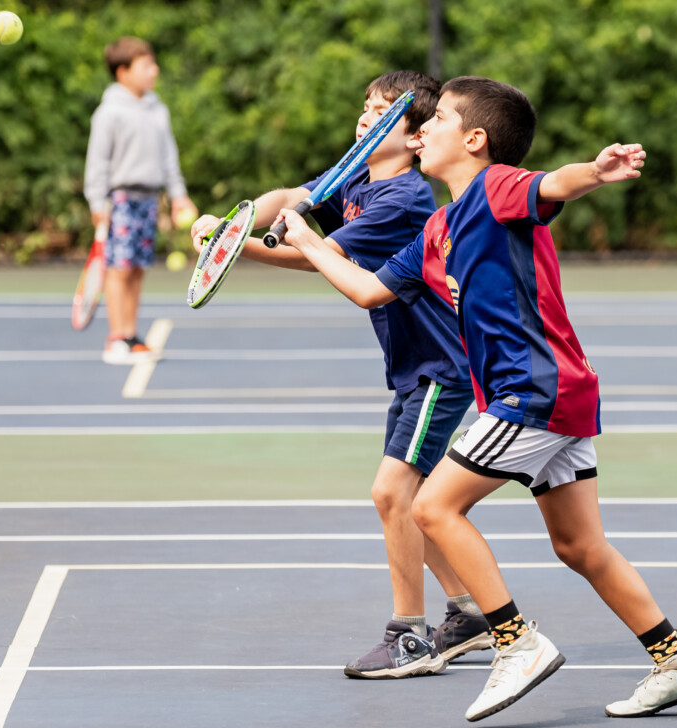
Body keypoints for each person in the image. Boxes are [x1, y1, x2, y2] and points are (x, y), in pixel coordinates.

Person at [278, 76, 677, 720]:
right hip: (557, 395)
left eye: (438, 121)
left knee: (430, 506)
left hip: (532, 392)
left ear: (475, 139)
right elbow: (370, 290)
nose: (420, 130)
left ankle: (515, 643)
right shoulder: (437, 230)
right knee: (580, 548)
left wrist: (594, 172)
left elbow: (554, 183)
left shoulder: (496, 188)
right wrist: (313, 245)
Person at [190, 71, 494, 679]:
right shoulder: (355, 177)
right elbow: (285, 196)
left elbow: (319, 257)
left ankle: (409, 636)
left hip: (443, 366)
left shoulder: (403, 200)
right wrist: (248, 215)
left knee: (392, 494)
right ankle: (469, 613)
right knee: (416, 502)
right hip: (413, 367)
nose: (366, 117)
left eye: (384, 112)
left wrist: (230, 243)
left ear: (413, 138)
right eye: (366, 106)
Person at [84, 36, 198, 364]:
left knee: (136, 270)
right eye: (146, 65)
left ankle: (131, 337)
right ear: (123, 72)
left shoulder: (157, 109)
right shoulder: (108, 112)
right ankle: (116, 338)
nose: (154, 70)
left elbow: (168, 158)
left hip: (149, 201)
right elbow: (98, 163)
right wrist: (97, 204)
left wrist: (178, 197)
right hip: (118, 202)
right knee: (119, 270)